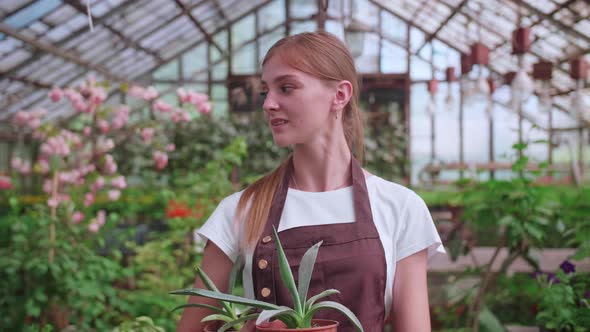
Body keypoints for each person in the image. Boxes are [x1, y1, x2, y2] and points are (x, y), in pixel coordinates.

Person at [177, 31, 445, 332]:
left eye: (286, 88)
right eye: (266, 91)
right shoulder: (243, 209)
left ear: (340, 95)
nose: (268, 103)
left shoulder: (400, 207)